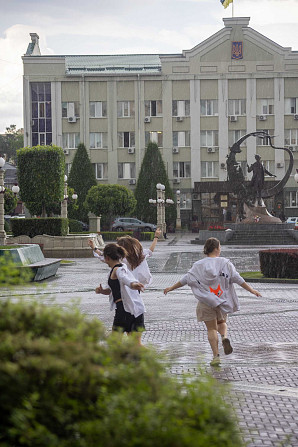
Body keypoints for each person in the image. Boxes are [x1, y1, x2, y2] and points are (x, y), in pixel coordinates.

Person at [163, 237, 262, 367]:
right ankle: (224, 337)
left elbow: (186, 279)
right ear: (216, 249)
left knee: (211, 329)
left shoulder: (198, 265)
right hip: (222, 301)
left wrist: (171, 288)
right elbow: (238, 279)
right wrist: (252, 290)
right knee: (222, 323)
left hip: (205, 302)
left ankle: (216, 356)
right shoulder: (226, 264)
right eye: (219, 247)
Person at [95, 243, 145, 344]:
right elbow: (110, 290)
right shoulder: (120, 268)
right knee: (136, 346)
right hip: (136, 309)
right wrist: (102, 291)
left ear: (107, 258)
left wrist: (132, 284)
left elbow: (124, 278)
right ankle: (152, 359)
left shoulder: (118, 270)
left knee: (114, 343)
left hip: (124, 311)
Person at [88, 227, 162, 287]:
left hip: (127, 285)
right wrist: (156, 237)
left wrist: (94, 248)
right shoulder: (139, 255)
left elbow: (103, 255)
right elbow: (150, 250)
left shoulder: (120, 258)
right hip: (138, 284)